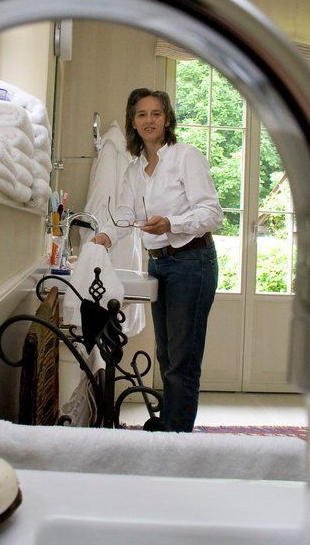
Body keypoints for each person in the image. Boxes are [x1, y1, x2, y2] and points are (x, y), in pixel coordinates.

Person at [91, 88, 222, 432]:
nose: (149, 120)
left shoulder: (186, 157)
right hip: (159, 264)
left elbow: (212, 213)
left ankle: (176, 436)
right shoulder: (134, 170)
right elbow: (124, 215)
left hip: (192, 262)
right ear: (133, 122)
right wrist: (104, 237)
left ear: (167, 119)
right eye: (141, 114)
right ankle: (172, 425)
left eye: (156, 113)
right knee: (165, 354)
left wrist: (171, 224)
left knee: (182, 358)